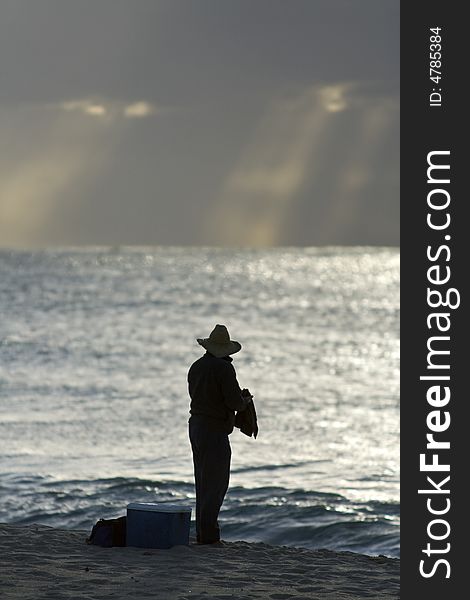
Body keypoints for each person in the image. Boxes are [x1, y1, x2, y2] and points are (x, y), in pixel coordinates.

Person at [188, 324, 253, 544]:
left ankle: (202, 533)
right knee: (216, 483)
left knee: (203, 481)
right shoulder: (224, 369)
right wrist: (245, 402)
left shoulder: (196, 366)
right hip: (214, 429)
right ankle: (209, 536)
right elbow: (234, 401)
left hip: (196, 426)